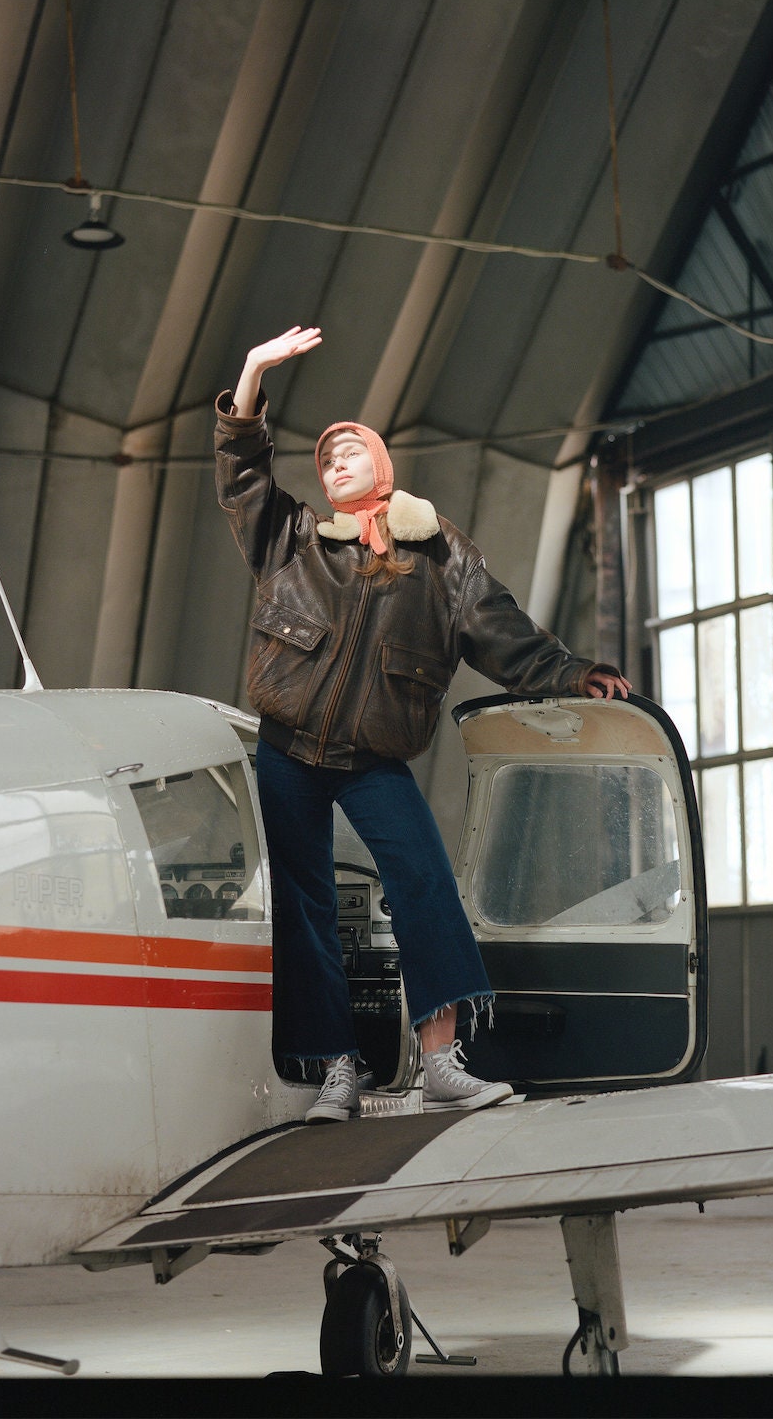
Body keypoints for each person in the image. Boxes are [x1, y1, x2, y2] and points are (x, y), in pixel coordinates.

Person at [214, 326, 632, 1123]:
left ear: (384, 466)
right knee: (301, 905)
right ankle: (337, 1070)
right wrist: (254, 370)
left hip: (372, 757)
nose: (335, 462)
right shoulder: (290, 539)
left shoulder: (441, 556)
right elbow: (239, 470)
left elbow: (504, 633)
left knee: (424, 882)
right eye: (327, 457)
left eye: (351, 452)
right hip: (288, 750)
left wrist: (574, 673)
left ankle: (441, 1058)